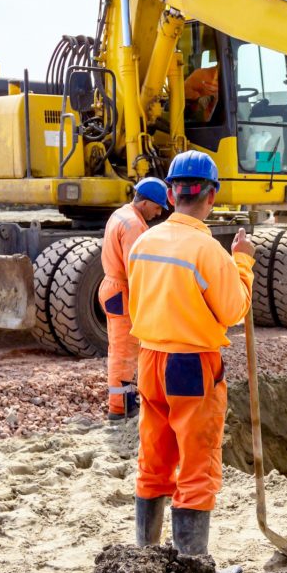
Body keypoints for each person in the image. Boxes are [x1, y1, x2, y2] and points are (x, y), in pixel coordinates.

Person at [126, 151, 255, 555]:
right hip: (192, 366)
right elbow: (234, 310)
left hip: (149, 361)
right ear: (211, 196)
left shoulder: (143, 243)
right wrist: (243, 264)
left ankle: (145, 556)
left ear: (169, 193)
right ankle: (192, 565)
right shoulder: (208, 251)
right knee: (197, 466)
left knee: (154, 457)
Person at [98, 177, 171, 420]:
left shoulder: (121, 214)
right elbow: (137, 270)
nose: (158, 213)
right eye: (157, 207)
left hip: (112, 286)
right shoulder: (135, 226)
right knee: (124, 351)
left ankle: (126, 400)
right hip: (123, 290)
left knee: (121, 348)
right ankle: (120, 408)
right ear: (146, 203)